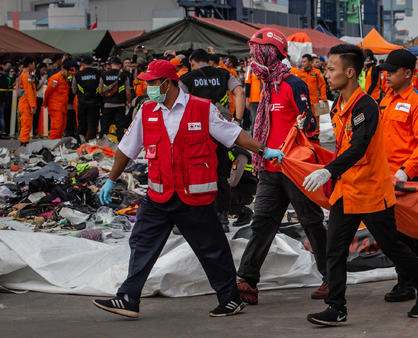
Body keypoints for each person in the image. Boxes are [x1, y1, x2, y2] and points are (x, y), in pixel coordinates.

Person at [92, 59, 285, 319]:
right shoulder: (147, 111)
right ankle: (128, 297)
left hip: (194, 195)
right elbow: (126, 149)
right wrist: (111, 179)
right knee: (141, 242)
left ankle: (230, 299)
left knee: (212, 248)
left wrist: (263, 150)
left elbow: (233, 134)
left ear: (167, 83)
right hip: (159, 195)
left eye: (151, 83)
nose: (147, 87)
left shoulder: (201, 109)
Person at [304, 44, 418, 326]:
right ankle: (336, 307)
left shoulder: (365, 105)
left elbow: (359, 148)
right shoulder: (342, 104)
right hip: (346, 189)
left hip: (371, 190)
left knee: (393, 246)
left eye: (331, 69)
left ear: (350, 72)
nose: (326, 74)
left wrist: (328, 171)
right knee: (335, 249)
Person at [236, 28, 329, 305]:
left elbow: (310, 125)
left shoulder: (292, 84)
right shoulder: (266, 86)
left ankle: (332, 277)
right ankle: (247, 282)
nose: (254, 57)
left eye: (259, 52)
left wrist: (304, 124)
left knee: (312, 223)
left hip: (295, 169)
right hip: (269, 169)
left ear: (272, 53)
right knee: (262, 224)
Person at [377, 49, 418, 303]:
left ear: (408, 73)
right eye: (386, 72)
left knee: (402, 234)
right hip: (388, 177)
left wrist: (406, 171)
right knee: (393, 233)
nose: (387, 77)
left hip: (412, 178)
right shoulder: (386, 99)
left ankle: (406, 283)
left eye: (392, 72)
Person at [180, 48, 246, 233]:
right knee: (221, 173)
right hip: (221, 132)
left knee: (197, 174)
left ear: (192, 62)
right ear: (208, 60)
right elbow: (239, 92)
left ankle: (200, 214)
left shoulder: (186, 79)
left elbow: (179, 106)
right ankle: (222, 217)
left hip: (196, 134)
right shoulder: (223, 74)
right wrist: (237, 121)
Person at [296, 53, 328, 141]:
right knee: (303, 117)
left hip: (315, 100)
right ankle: (304, 134)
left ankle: (316, 135)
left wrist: (323, 98)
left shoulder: (317, 72)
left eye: (304, 61)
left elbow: (322, 85)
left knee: (316, 118)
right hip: (303, 100)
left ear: (310, 62)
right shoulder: (299, 73)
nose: (303, 63)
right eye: (302, 62)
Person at [100, 57, 132, 140]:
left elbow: (100, 90)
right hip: (120, 104)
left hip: (107, 105)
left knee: (105, 126)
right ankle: (120, 145)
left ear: (111, 65)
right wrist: (129, 102)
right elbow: (128, 92)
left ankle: (102, 143)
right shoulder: (124, 75)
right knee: (120, 126)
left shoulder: (104, 75)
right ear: (120, 65)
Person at [43, 60, 75, 139]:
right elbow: (48, 92)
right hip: (55, 107)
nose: (69, 74)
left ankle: (57, 144)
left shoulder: (66, 78)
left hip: (62, 107)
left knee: (62, 127)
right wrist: (45, 103)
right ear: (63, 69)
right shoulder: (55, 79)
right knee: (56, 128)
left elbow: (73, 76)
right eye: (68, 72)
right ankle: (52, 145)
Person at [73, 56, 101, 141]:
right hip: (95, 103)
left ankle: (80, 142)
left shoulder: (77, 75)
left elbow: (73, 89)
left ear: (82, 63)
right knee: (92, 124)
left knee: (81, 124)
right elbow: (101, 88)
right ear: (92, 63)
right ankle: (91, 143)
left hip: (82, 102)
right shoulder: (98, 73)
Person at [18, 57, 37, 145]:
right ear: (29, 64)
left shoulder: (25, 75)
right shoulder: (26, 76)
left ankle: (24, 142)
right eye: (33, 64)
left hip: (25, 102)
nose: (34, 65)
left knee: (26, 125)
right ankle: (24, 143)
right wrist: (33, 106)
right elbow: (29, 92)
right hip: (26, 103)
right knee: (26, 125)